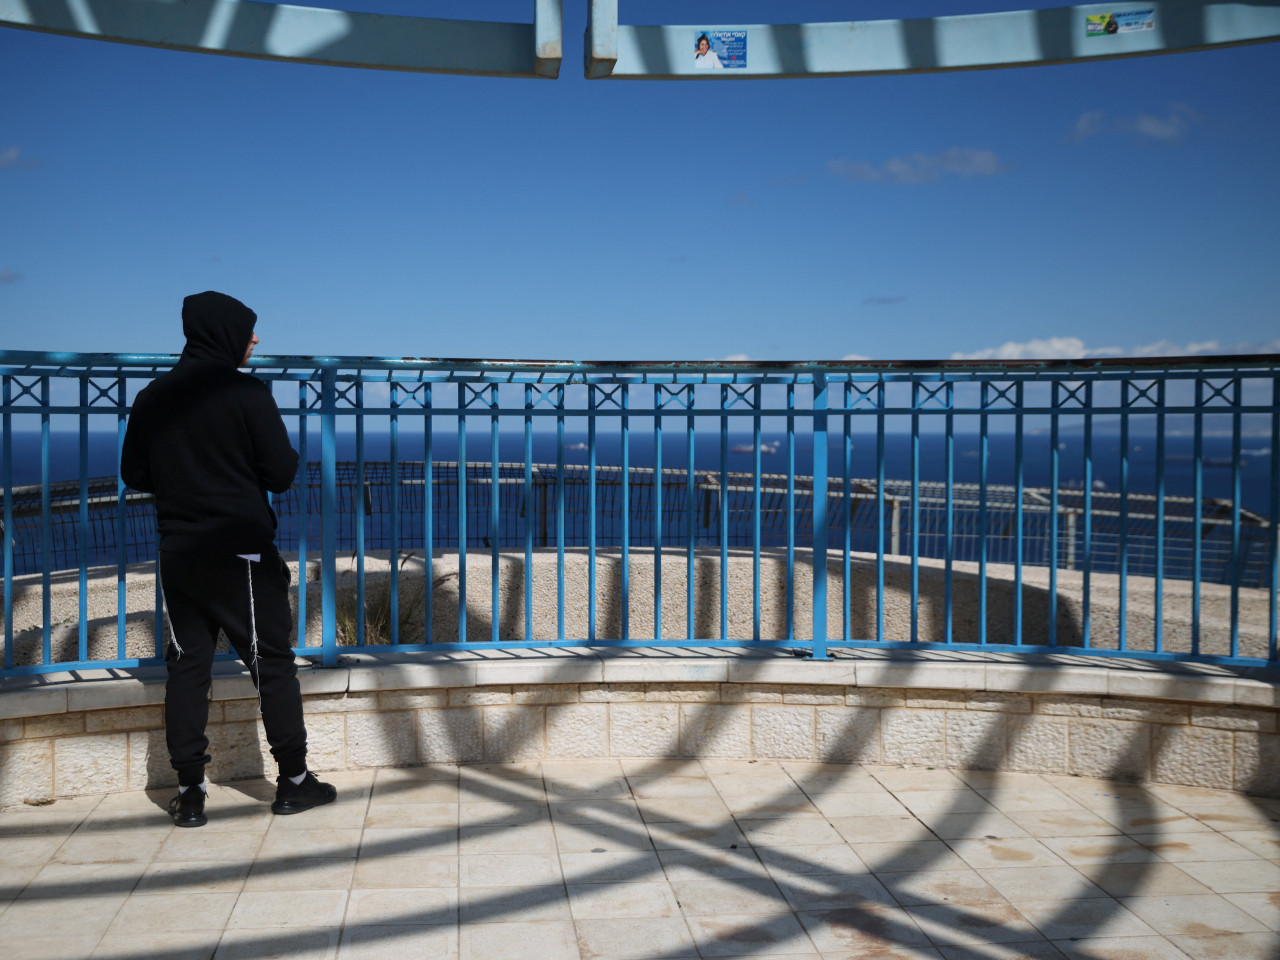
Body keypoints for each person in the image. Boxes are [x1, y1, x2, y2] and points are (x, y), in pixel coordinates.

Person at [122, 291, 336, 828]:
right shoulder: (246, 393)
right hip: (241, 552)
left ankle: (190, 792)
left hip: (179, 552)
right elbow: (281, 473)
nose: (255, 339)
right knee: (272, 664)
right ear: (225, 333)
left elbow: (134, 473)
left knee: (187, 667)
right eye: (248, 329)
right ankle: (293, 783)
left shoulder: (152, 396)